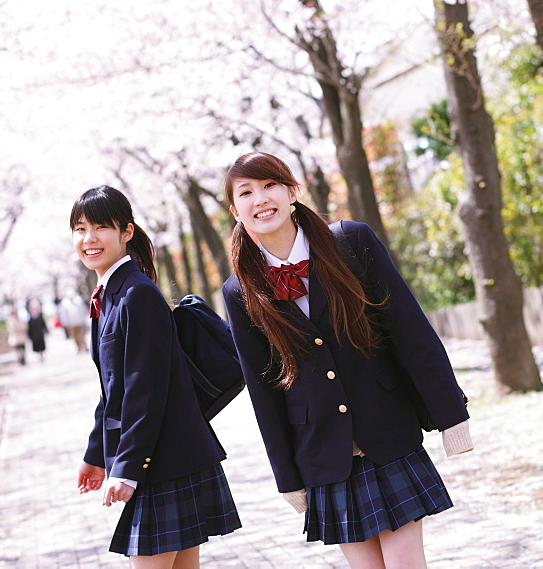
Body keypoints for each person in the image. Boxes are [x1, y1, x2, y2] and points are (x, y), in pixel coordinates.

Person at [221, 152, 472, 569]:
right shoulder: (240, 290)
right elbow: (263, 391)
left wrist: (451, 416)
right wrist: (288, 477)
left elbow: (410, 330)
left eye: (270, 186)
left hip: (387, 430)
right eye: (246, 192)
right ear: (235, 210)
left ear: (292, 192)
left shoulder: (350, 242)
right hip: (322, 453)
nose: (260, 199)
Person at [71, 185, 241, 567]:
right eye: (80, 229)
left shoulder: (136, 294)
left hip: (165, 461)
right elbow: (111, 390)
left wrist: (127, 471)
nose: (89, 239)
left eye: (100, 227)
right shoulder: (109, 295)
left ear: (126, 232)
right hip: (164, 457)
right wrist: (95, 454)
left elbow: (144, 390)